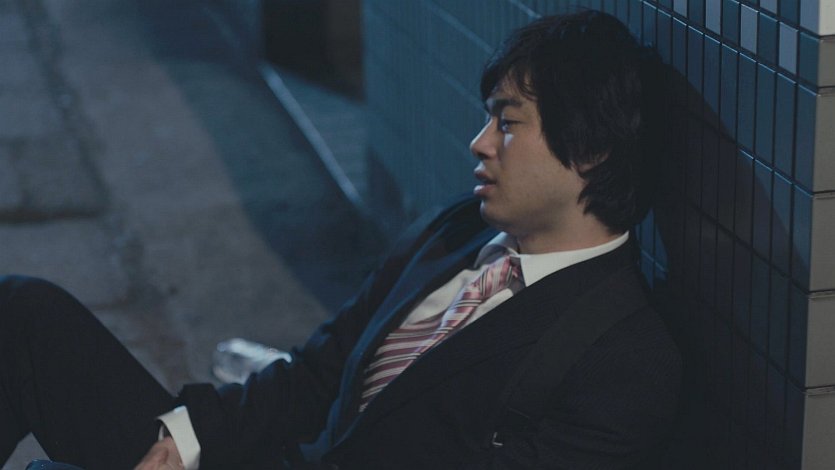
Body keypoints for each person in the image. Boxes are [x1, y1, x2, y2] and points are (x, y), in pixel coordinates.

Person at [0, 9, 681, 470]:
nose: (478, 144)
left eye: (507, 123)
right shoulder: (457, 231)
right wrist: (187, 438)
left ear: (589, 148)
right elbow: (317, 374)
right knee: (21, 314)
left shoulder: (622, 358)